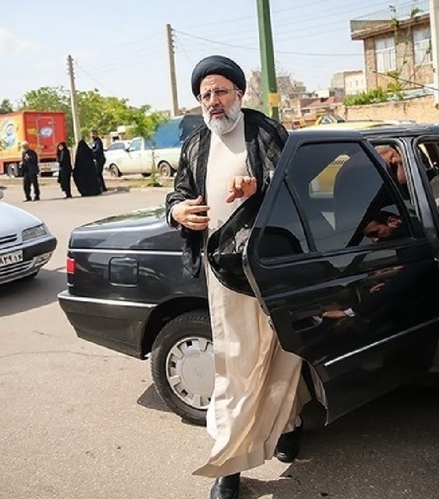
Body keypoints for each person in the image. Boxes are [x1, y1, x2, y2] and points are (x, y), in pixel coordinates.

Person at [164, 55, 309, 499]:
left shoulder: (266, 132)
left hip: (270, 266)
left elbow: (297, 187)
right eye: (205, 94)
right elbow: (178, 193)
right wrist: (177, 211)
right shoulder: (195, 144)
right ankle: (229, 461)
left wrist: (258, 186)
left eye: (221, 91)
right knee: (235, 364)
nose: (213, 101)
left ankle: (288, 425)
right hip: (223, 273)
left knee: (282, 353)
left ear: (239, 94)